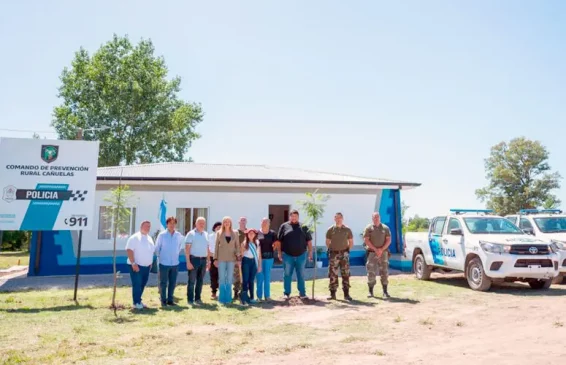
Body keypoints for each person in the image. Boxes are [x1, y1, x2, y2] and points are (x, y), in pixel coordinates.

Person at [277, 209, 313, 299]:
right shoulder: (284, 226)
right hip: (288, 255)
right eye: (292, 216)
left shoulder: (304, 226)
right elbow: (279, 241)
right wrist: (279, 253)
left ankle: (302, 293)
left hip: (301, 255)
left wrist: (310, 252)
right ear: (290, 217)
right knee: (287, 274)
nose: (294, 218)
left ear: (298, 217)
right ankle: (287, 293)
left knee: (301, 274)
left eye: (295, 216)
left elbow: (309, 241)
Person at [155, 216, 184, 306]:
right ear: (167, 224)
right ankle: (163, 300)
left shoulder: (178, 235)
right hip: (164, 263)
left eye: (173, 223)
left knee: (173, 282)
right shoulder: (162, 235)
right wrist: (161, 257)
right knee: (163, 282)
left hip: (175, 263)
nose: (172, 225)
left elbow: (179, 247)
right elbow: (157, 248)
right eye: (170, 223)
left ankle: (170, 300)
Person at [125, 221, 155, 310]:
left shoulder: (149, 238)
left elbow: (151, 251)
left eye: (149, 227)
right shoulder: (134, 237)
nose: (147, 228)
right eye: (146, 226)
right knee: (137, 284)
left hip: (146, 266)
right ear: (141, 226)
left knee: (142, 284)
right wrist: (133, 263)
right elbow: (129, 250)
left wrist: (150, 263)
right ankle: (136, 303)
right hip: (136, 265)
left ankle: (139, 300)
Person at [326, 212, 354, 301]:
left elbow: (351, 242)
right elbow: (327, 242)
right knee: (333, 274)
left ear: (342, 218)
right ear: (334, 219)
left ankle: (346, 294)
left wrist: (346, 251)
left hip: (344, 254)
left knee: (345, 273)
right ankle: (333, 294)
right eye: (336, 218)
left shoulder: (347, 229)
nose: (338, 219)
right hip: (334, 254)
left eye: (340, 218)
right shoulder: (330, 230)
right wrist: (332, 249)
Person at [364, 212, 392, 298]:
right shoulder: (368, 228)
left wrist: (381, 249)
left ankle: (385, 292)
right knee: (371, 272)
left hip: (383, 253)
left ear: (380, 217)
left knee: (384, 271)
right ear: (372, 218)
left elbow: (388, 240)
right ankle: (370, 292)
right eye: (374, 217)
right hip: (372, 253)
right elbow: (366, 240)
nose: (376, 218)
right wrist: (376, 249)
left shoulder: (385, 228)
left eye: (377, 217)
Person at [214, 216, 241, 304]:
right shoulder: (219, 233)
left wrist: (238, 257)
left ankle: (228, 298)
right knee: (222, 278)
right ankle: (222, 298)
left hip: (231, 259)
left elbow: (237, 246)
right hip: (221, 258)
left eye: (228, 221)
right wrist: (215, 258)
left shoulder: (235, 233)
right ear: (223, 223)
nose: (226, 223)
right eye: (225, 221)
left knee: (229, 278)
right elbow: (216, 247)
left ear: (231, 223)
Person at [185, 217, 209, 305]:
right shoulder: (191, 234)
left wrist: (208, 261)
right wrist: (188, 261)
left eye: (203, 223)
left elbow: (207, 248)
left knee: (200, 280)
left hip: (203, 259)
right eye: (200, 223)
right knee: (191, 280)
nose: (202, 225)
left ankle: (198, 298)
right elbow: (187, 249)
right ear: (196, 224)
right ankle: (190, 300)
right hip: (193, 259)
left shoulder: (206, 234)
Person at [256, 218, 278, 301]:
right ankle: (259, 296)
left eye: (266, 222)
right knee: (259, 277)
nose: (265, 223)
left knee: (267, 277)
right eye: (263, 222)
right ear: (260, 223)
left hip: (269, 258)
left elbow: (276, 244)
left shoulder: (273, 233)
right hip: (259, 259)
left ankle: (267, 296)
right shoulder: (257, 233)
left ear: (269, 224)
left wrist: (274, 247)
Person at [240, 228, 262, 305]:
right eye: (249, 233)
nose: (251, 235)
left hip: (254, 262)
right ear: (247, 234)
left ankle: (252, 297)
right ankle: (244, 298)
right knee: (245, 280)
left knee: (251, 280)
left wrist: (259, 266)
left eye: (253, 233)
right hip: (246, 261)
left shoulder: (257, 242)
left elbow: (259, 255)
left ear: (255, 234)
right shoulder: (244, 243)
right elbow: (241, 255)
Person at [233, 216, 247, 300]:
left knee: (245, 275)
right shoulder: (235, 232)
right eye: (241, 220)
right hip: (237, 257)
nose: (243, 222)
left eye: (244, 220)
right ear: (239, 222)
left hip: (247, 256)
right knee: (237, 275)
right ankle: (236, 292)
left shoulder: (248, 232)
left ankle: (244, 292)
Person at [208, 221, 222, 300]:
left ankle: (222, 292)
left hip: (222, 258)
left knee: (222, 276)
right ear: (214, 228)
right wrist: (213, 258)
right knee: (213, 276)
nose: (219, 229)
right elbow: (208, 248)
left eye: (220, 227)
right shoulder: (210, 236)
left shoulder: (224, 237)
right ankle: (213, 292)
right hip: (212, 257)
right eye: (217, 227)